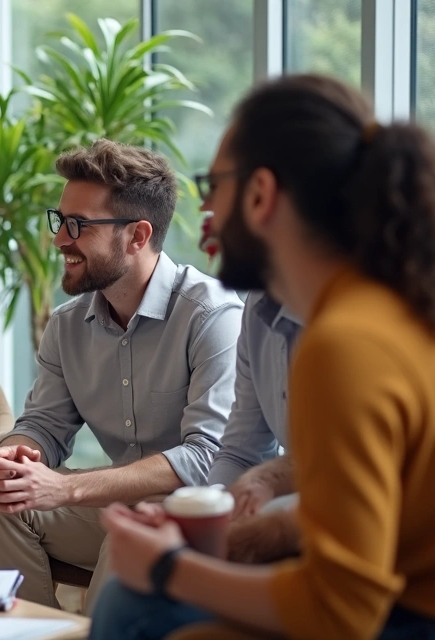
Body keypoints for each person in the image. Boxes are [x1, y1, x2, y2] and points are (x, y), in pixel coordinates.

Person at [92, 73, 435, 639]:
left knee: (136, 607)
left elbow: (342, 614)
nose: (206, 210)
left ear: (260, 195)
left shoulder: (344, 345)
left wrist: (168, 567)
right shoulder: (381, 309)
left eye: (213, 185)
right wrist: (198, 528)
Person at [0, 140, 243, 612]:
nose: (59, 240)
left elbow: (206, 458)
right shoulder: (67, 325)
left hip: (197, 517)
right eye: (59, 221)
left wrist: (66, 487)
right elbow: (44, 425)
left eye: (77, 225)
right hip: (122, 508)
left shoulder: (211, 316)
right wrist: (21, 454)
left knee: (129, 533)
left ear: (137, 236)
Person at [207, 290, 302, 565]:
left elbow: (346, 461)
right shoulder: (258, 304)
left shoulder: (362, 311)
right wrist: (211, 512)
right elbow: (241, 452)